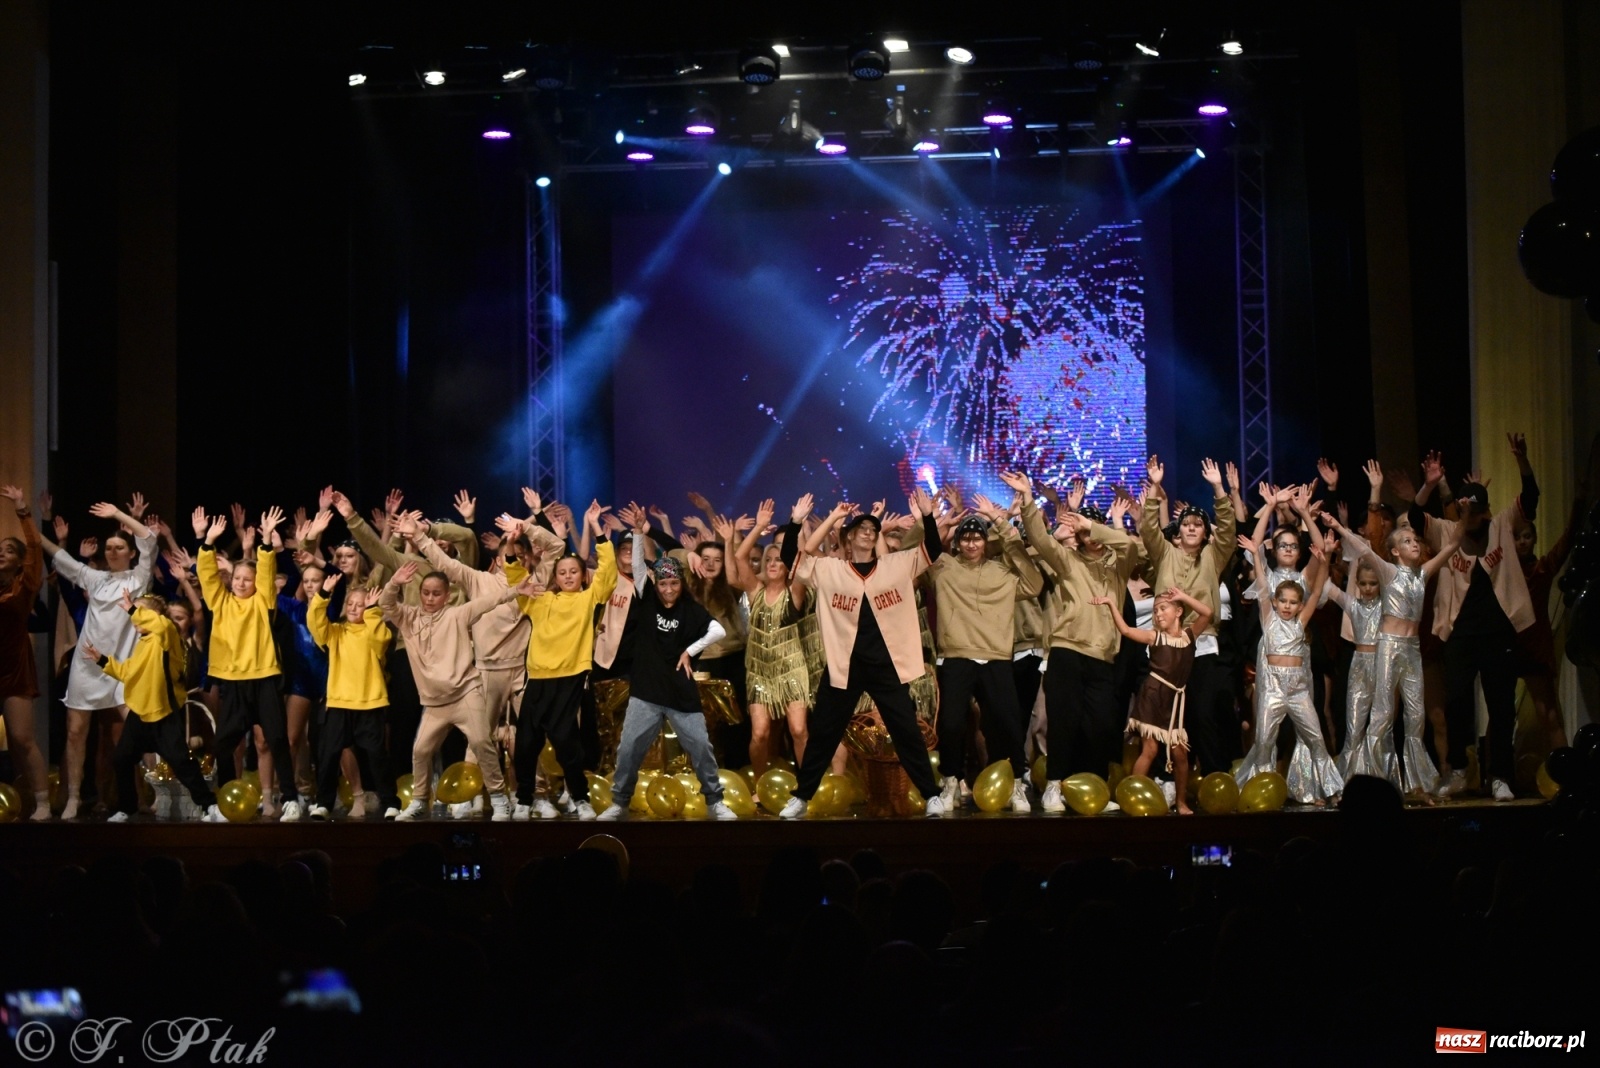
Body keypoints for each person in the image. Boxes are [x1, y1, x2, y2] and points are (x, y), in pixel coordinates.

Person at [784, 491, 946, 818]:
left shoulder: (895, 565)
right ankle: (801, 797)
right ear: (849, 538)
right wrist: (796, 521)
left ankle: (931, 795)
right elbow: (792, 558)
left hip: (887, 665)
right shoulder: (830, 570)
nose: (868, 533)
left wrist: (927, 517)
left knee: (906, 732)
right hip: (845, 666)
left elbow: (933, 550)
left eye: (873, 530)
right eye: (861, 529)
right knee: (825, 733)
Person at [1411, 435, 1538, 800]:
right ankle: (1461, 770)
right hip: (1460, 635)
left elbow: (1529, 499)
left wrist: (1522, 462)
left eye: (1474, 512)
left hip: (1500, 633)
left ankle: (1500, 775)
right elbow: (1418, 516)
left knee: (1501, 708)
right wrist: (1430, 485)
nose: (1469, 518)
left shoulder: (1500, 526)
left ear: (1484, 511)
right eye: (1464, 511)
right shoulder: (1447, 532)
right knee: (1456, 704)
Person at [1006, 472, 1140, 812]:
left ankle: (1093, 789)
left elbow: (1127, 544)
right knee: (1063, 723)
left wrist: (1093, 524)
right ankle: (1054, 785)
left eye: (1091, 531)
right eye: (1081, 532)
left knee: (1101, 726)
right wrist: (1026, 499)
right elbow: (1039, 537)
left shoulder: (1117, 566)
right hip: (1067, 650)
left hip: (1102, 656)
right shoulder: (1068, 562)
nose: (1087, 536)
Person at [597, 524, 736, 821]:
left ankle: (714, 802)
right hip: (646, 691)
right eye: (663, 584)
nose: (668, 589)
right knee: (629, 748)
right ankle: (620, 803)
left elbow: (718, 630)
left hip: (680, 691)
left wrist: (690, 650)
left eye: (673, 583)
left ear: (681, 583)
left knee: (701, 747)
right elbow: (637, 565)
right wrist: (636, 534)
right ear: (655, 584)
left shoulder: (690, 609)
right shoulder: (646, 598)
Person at [381, 549, 532, 822]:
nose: (429, 598)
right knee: (421, 750)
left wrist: (515, 590)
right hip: (435, 703)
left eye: (436, 593)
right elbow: (386, 604)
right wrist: (395, 582)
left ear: (447, 595)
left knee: (481, 742)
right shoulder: (408, 617)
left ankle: (499, 799)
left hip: (466, 694)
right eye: (425, 592)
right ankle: (418, 801)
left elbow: (488, 601)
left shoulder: (457, 614)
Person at [1321, 506, 1459, 797]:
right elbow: (1363, 548)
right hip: (1388, 646)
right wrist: (1339, 526)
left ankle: (1416, 784)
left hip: (1412, 649)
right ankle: (1369, 781)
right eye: (1407, 541)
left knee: (1416, 716)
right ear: (1395, 551)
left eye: (1415, 541)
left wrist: (1467, 518)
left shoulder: (1421, 575)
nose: (1414, 544)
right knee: (1383, 714)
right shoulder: (1388, 572)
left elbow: (1453, 545)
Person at [41, 499, 158, 819]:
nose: (113, 552)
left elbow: (149, 539)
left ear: (131, 553)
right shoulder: (95, 579)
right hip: (87, 665)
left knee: (140, 731)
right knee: (76, 731)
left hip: (122, 668)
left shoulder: (139, 577)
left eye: (120, 547)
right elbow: (58, 556)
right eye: (109, 548)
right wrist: (27, 518)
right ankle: (74, 798)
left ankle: (155, 796)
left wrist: (120, 516)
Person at [929, 493, 1044, 813]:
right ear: (957, 543)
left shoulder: (1002, 573)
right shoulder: (944, 568)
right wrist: (934, 522)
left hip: (995, 657)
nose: (970, 544)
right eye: (965, 538)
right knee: (951, 725)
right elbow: (914, 551)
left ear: (985, 541)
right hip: (956, 655)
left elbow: (1034, 583)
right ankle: (951, 780)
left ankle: (1018, 782)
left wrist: (1002, 524)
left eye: (976, 538)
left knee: (1007, 724)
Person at [507, 500, 617, 821]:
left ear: (583, 577)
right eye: (563, 572)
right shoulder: (541, 600)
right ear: (556, 576)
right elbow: (515, 577)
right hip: (538, 679)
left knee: (566, 741)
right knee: (526, 743)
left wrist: (596, 528)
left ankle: (580, 799)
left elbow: (608, 572)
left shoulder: (589, 599)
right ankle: (525, 799)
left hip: (571, 676)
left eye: (574, 572)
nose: (568, 576)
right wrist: (513, 543)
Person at [199, 506, 304, 819]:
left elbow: (268, 570)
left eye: (248, 579)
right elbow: (206, 578)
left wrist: (266, 543)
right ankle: (223, 801)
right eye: (237, 578)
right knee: (223, 744)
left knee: (276, 739)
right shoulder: (220, 601)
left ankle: (290, 799)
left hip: (264, 680)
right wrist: (207, 542)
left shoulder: (263, 601)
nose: (242, 583)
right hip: (233, 682)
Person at [85, 589, 223, 823]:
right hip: (140, 712)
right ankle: (126, 808)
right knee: (122, 759)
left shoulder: (167, 634)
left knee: (181, 762)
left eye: (141, 611)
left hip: (164, 712)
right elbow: (129, 672)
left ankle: (209, 805)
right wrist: (101, 660)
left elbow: (159, 626)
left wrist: (132, 609)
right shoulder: (144, 643)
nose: (135, 616)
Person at [1138, 457, 1238, 779]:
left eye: (1198, 524)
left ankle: (1213, 776)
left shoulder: (1213, 555)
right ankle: (1166, 779)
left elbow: (1229, 529)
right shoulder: (1166, 553)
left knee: (1203, 712)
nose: (1192, 527)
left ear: (1207, 533)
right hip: (1168, 646)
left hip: (1203, 643)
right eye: (1186, 524)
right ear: (1178, 531)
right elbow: (1148, 530)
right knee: (1166, 717)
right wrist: (1154, 487)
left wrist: (1218, 489)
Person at [1234, 535, 1344, 805]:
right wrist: (1257, 557)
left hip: (1297, 691)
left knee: (1316, 739)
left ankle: (1328, 789)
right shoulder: (1269, 618)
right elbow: (1262, 585)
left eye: (1293, 603)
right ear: (1274, 602)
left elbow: (1317, 592)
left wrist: (1325, 559)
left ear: (1299, 605)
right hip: (1272, 690)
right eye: (1282, 601)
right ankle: (1260, 793)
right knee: (1264, 742)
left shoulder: (1301, 622)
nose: (1287, 606)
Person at [1093, 586, 1214, 815]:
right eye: (1155, 610)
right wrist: (1110, 604)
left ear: (1178, 612)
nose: (1158, 614)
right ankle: (1130, 796)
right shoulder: (1154, 636)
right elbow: (1127, 631)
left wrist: (1183, 597)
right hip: (1153, 695)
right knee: (1149, 748)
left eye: (1163, 608)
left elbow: (1207, 613)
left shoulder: (1189, 635)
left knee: (1180, 753)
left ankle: (1180, 802)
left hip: (1175, 700)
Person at [725, 497, 817, 773]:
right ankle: (760, 783)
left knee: (799, 730)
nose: (775, 563)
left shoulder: (795, 592)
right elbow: (741, 557)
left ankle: (806, 786)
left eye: (780, 559)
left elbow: (802, 557)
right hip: (761, 672)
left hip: (792, 670)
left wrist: (797, 524)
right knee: (760, 734)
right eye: (770, 559)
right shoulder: (756, 593)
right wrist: (760, 526)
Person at [306, 572, 400, 820]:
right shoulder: (336, 632)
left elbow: (380, 640)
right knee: (328, 756)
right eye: (351, 604)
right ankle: (324, 803)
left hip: (370, 702)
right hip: (339, 703)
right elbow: (315, 623)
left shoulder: (376, 629)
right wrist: (323, 595)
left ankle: (390, 802)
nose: (355, 608)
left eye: (361, 604)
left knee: (377, 756)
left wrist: (372, 611)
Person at [0, 485, 50, 820]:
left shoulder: (25, 586)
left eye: (7, 550)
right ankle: (18, 800)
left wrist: (23, 510)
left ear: (18, 560)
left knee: (21, 738)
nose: (1, 553)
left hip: (14, 668)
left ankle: (42, 802)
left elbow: (34, 548)